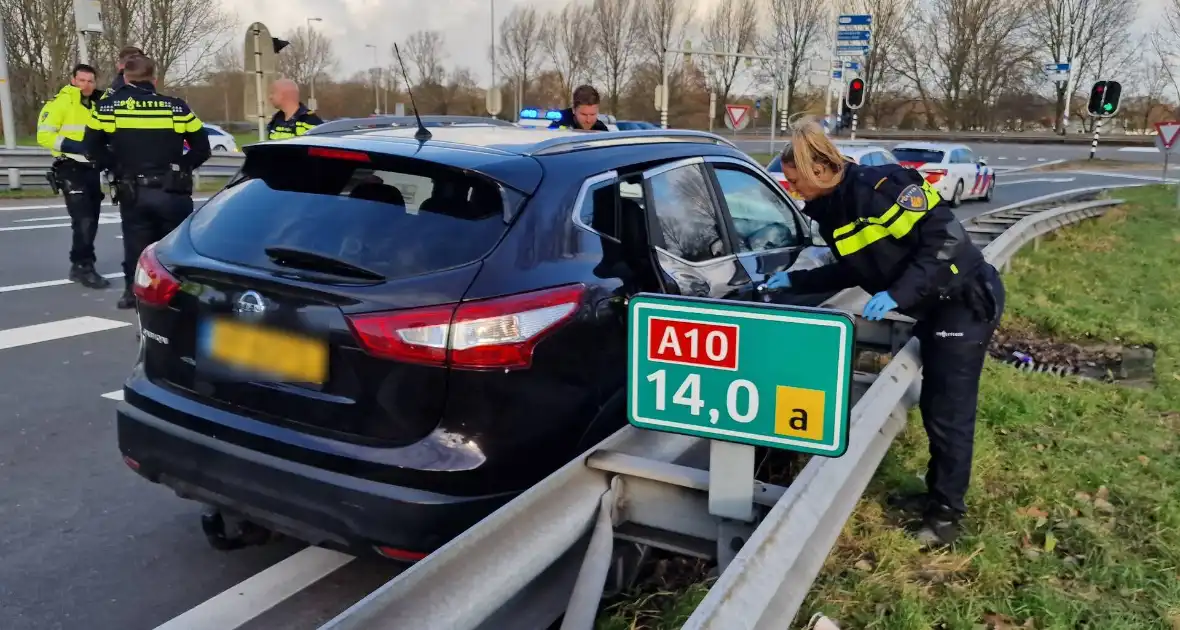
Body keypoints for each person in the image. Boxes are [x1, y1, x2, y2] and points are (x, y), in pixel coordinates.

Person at [767, 118, 1006, 547]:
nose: (792, 188)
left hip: (964, 299)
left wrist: (898, 293)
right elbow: (856, 266)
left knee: (949, 412)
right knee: (935, 406)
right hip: (935, 305)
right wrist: (798, 282)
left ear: (819, 171)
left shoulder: (884, 186)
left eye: (795, 179)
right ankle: (936, 495)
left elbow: (946, 240)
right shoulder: (832, 212)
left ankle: (947, 517)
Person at [83, 54, 210, 310]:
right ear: (154, 78)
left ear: (126, 77)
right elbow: (202, 148)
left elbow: (90, 147)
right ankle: (178, 295)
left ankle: (133, 292)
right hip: (172, 190)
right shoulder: (176, 107)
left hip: (133, 189)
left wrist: (115, 166)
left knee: (136, 244)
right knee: (174, 247)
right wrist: (182, 167)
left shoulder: (108, 107)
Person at [37, 63, 111, 289]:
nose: (86, 85)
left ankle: (79, 263)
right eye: (82, 80)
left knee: (92, 220)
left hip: (92, 169)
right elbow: (44, 136)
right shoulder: (61, 103)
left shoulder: (101, 103)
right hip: (70, 167)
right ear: (73, 80)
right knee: (84, 220)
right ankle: (84, 267)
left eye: (90, 81)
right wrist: (78, 147)